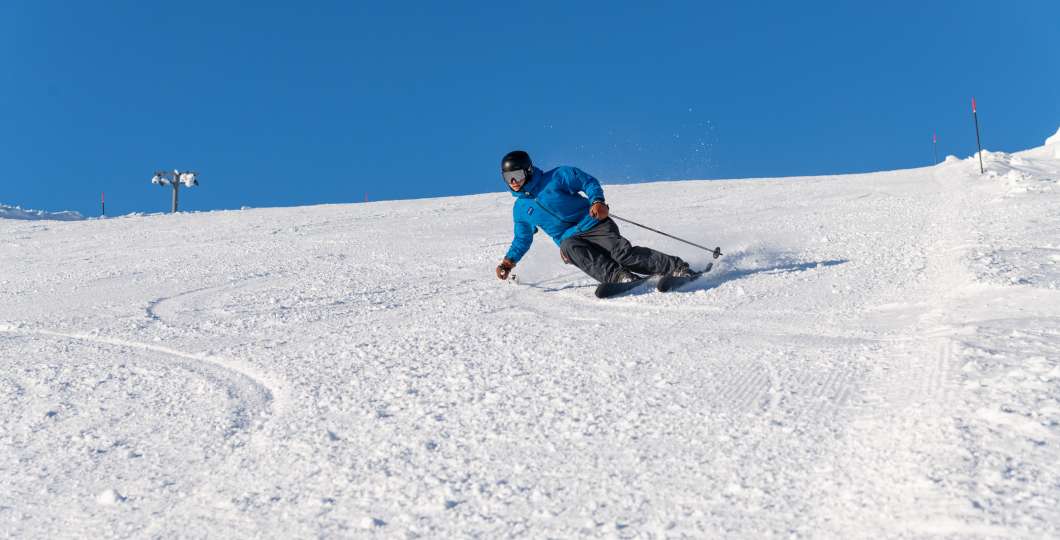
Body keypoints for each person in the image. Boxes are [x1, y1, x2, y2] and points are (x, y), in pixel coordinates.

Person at [495, 150, 692, 284]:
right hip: (570, 240)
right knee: (568, 247)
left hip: (593, 222)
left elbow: (587, 181)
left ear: (528, 171)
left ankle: (676, 268)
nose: (513, 182)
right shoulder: (520, 209)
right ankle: (619, 278)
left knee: (623, 255)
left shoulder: (556, 177)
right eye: (508, 178)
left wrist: (597, 201)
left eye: (517, 175)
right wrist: (508, 262)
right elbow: (522, 238)